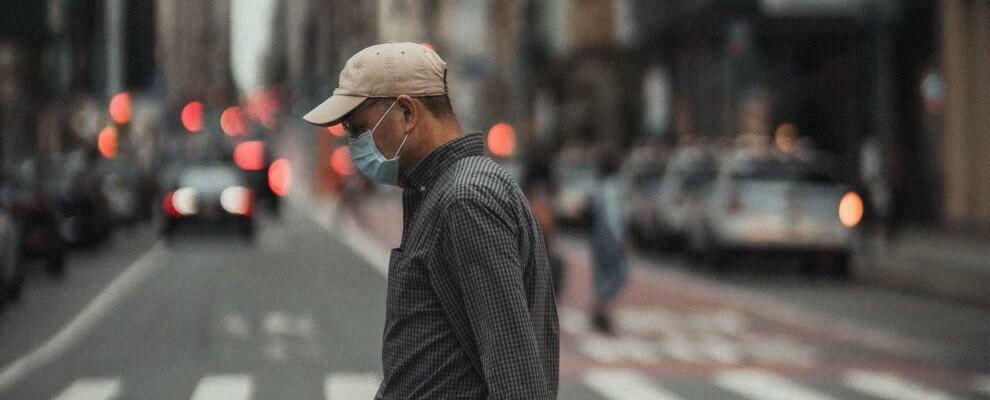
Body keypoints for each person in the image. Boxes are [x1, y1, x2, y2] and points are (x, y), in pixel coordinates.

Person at [302, 42, 558, 399]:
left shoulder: (465, 200)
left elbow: (516, 377)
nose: (353, 142)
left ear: (406, 112)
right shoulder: (438, 192)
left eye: (358, 128)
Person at [589, 149, 629, 335]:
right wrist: (620, 239)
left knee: (603, 273)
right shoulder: (613, 187)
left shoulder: (599, 185)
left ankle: (600, 310)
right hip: (609, 236)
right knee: (619, 273)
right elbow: (613, 217)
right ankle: (599, 307)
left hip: (597, 236)